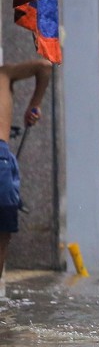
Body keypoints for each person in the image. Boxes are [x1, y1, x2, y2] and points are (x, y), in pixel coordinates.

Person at [0, 59, 53, 297]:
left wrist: (34, 104)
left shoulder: (4, 74)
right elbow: (44, 67)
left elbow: (44, 67)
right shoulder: (4, 74)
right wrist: (34, 104)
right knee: (2, 231)